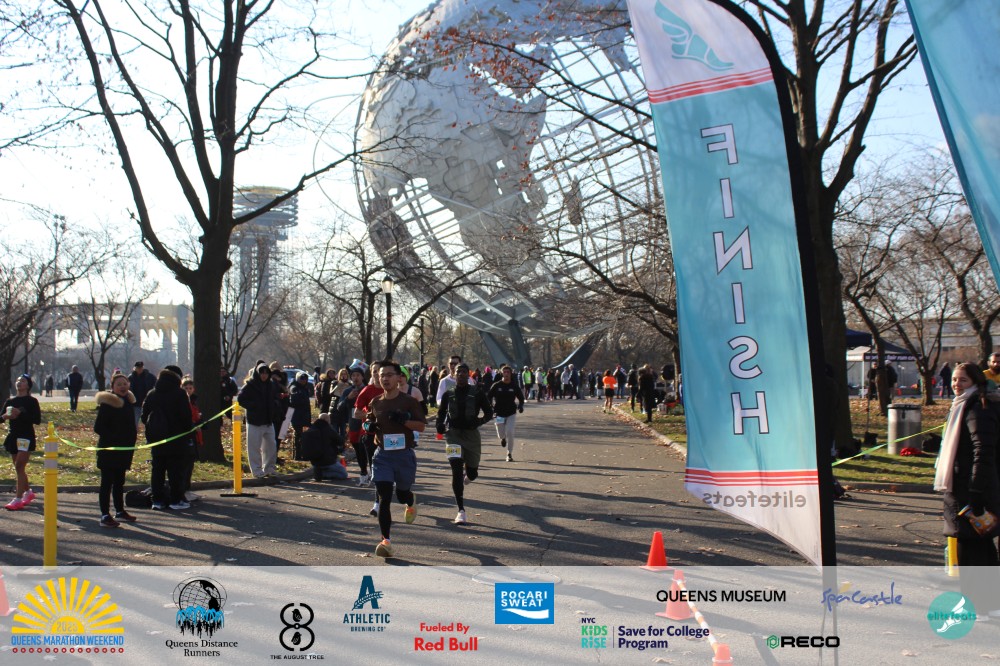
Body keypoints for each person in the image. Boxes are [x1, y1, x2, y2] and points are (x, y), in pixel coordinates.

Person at [936, 362, 1000, 617]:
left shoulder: (976, 408)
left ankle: (978, 606)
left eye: (963, 380)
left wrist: (976, 490)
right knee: (981, 544)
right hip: (969, 484)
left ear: (975, 382)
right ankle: (990, 604)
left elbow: (982, 451)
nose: (956, 384)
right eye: (954, 379)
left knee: (970, 546)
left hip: (970, 486)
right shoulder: (966, 404)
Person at [366, 362, 425, 557]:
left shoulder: (409, 401)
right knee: (384, 496)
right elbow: (368, 420)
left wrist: (404, 421)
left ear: (399, 378)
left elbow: (421, 426)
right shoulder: (376, 402)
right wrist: (369, 427)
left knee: (401, 494)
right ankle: (386, 541)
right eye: (381, 375)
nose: (385, 378)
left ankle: (410, 500)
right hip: (382, 456)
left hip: (403, 455)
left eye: (389, 375)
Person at [436, 362, 493, 525]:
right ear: (454, 375)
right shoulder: (448, 394)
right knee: (456, 469)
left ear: (468, 374)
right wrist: (439, 425)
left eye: (463, 372)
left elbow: (489, 412)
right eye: (458, 372)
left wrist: (479, 421)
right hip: (453, 435)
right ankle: (461, 510)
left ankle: (469, 475)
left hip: (471, 435)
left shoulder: (477, 393)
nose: (460, 374)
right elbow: (441, 414)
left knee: (473, 473)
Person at [141, 365, 194, 511]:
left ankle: (157, 500)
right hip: (176, 439)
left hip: (157, 439)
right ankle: (175, 500)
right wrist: (187, 431)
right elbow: (186, 417)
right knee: (175, 471)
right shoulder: (180, 394)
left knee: (157, 470)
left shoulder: (152, 394)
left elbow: (144, 416)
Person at [94, 374, 138, 527]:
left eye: (125, 383)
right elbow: (98, 427)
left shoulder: (128, 402)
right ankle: (105, 515)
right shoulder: (108, 404)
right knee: (107, 483)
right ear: (113, 387)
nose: (122, 387)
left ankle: (120, 511)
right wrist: (115, 438)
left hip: (124, 451)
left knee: (120, 481)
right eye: (119, 384)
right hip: (109, 451)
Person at [2, 375, 42, 510]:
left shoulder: (32, 401)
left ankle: (18, 499)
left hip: (26, 436)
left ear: (28, 385)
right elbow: (1, 418)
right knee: (18, 467)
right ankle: (28, 492)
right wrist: (5, 416)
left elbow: (37, 420)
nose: (19, 383)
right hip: (13, 436)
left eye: (23, 381)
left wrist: (20, 413)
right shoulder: (10, 401)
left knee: (19, 465)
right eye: (18, 380)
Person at [237, 363, 280, 478]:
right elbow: (241, 399)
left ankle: (269, 468)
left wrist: (275, 405)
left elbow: (275, 397)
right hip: (254, 421)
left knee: (271, 446)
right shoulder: (250, 385)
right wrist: (254, 406)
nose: (264, 375)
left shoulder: (271, 385)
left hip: (268, 420)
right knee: (254, 447)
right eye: (262, 373)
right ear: (257, 373)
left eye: (266, 373)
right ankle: (256, 470)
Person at [487, 365, 525, 462]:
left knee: (510, 432)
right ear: (502, 373)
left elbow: (521, 398)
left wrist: (520, 406)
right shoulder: (496, 385)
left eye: (508, 372)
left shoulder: (514, 386)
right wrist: (490, 406)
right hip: (499, 413)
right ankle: (503, 438)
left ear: (511, 374)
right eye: (505, 372)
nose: (507, 374)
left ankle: (509, 453)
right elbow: (489, 397)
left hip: (511, 413)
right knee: (501, 433)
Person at [300, 413, 347, 481]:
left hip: (314, 461)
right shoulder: (328, 429)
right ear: (327, 420)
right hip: (328, 460)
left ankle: (319, 472)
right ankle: (323, 474)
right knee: (343, 474)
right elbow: (340, 441)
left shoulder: (312, 429)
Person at [181, 376, 203, 502]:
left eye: (190, 388)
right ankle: (183, 489)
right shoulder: (183, 402)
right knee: (186, 464)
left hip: (194, 435)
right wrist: (194, 425)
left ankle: (187, 488)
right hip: (187, 436)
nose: (188, 390)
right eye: (186, 388)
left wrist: (200, 421)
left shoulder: (194, 401)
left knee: (190, 464)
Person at [289, 371, 313, 461]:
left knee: (302, 436)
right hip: (296, 415)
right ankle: (297, 455)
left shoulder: (304, 388)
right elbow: (294, 400)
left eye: (305, 379)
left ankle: (302, 454)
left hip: (304, 415)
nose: (303, 380)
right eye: (301, 379)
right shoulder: (294, 387)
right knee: (298, 435)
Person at [128, 361, 157, 427]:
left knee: (148, 421)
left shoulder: (150, 377)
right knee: (135, 422)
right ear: (135, 368)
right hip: (135, 403)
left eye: (141, 368)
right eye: (138, 368)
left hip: (147, 402)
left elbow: (156, 385)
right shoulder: (131, 377)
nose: (139, 369)